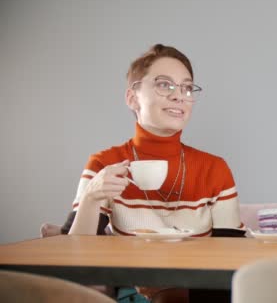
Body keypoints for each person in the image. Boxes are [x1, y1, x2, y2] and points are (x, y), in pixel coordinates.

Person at [61, 44, 244, 237]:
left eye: (187, 88)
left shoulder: (214, 169)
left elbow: (231, 250)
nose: (179, 96)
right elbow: (75, 253)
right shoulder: (104, 164)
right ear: (132, 98)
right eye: (164, 84)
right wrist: (90, 198)